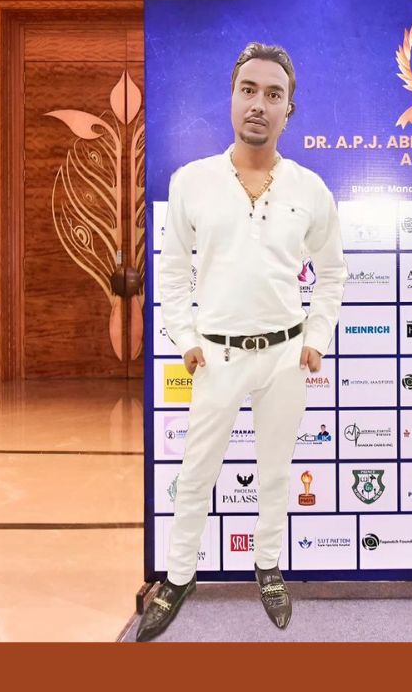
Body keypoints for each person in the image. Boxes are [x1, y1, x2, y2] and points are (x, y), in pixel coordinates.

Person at [137, 43, 347, 641]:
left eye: (273, 94)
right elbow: (171, 273)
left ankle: (268, 566)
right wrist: (185, 337)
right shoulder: (192, 182)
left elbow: (333, 273)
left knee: (275, 472)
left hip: (284, 356)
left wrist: (316, 337)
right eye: (248, 90)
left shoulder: (310, 188)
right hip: (217, 356)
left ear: (289, 109)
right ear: (231, 99)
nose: (259, 104)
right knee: (195, 474)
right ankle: (179, 577)